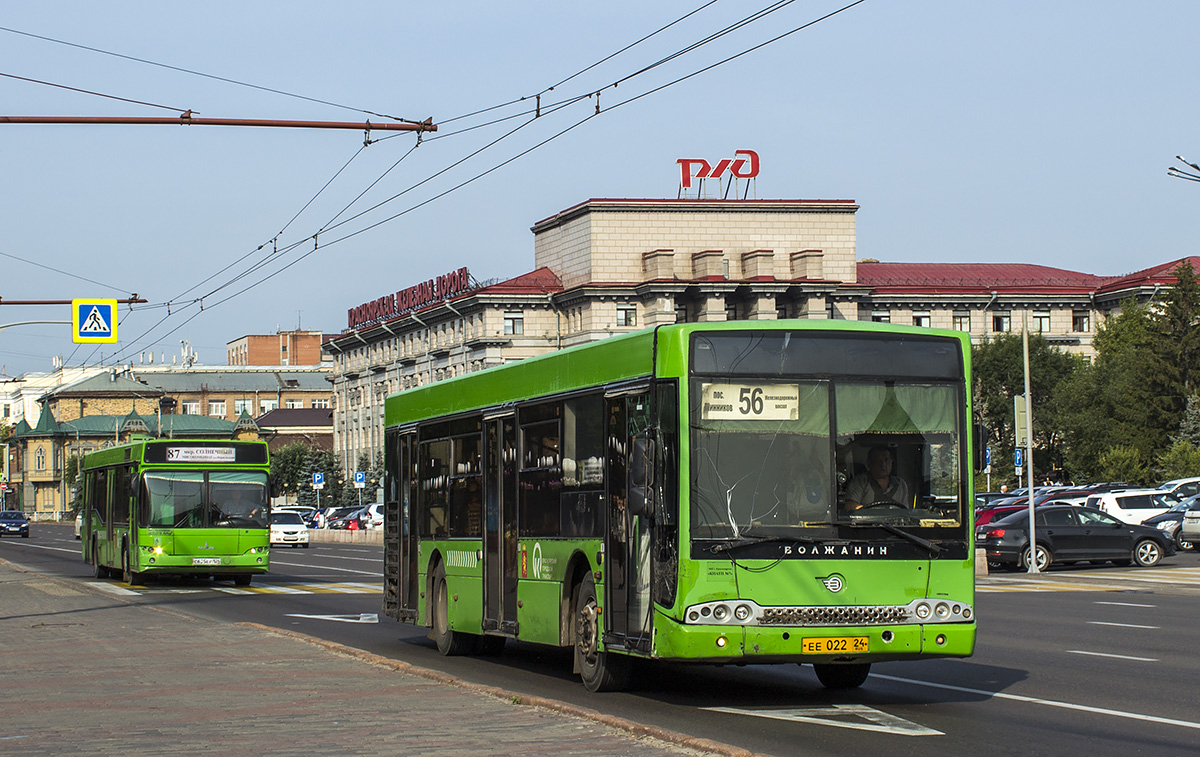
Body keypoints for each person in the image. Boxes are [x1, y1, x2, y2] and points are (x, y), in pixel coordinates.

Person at [844, 445, 910, 511]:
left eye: (886, 460)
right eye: (878, 461)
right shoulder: (860, 482)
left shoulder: (901, 484)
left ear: (892, 461)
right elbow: (850, 506)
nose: (883, 464)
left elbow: (905, 511)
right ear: (869, 463)